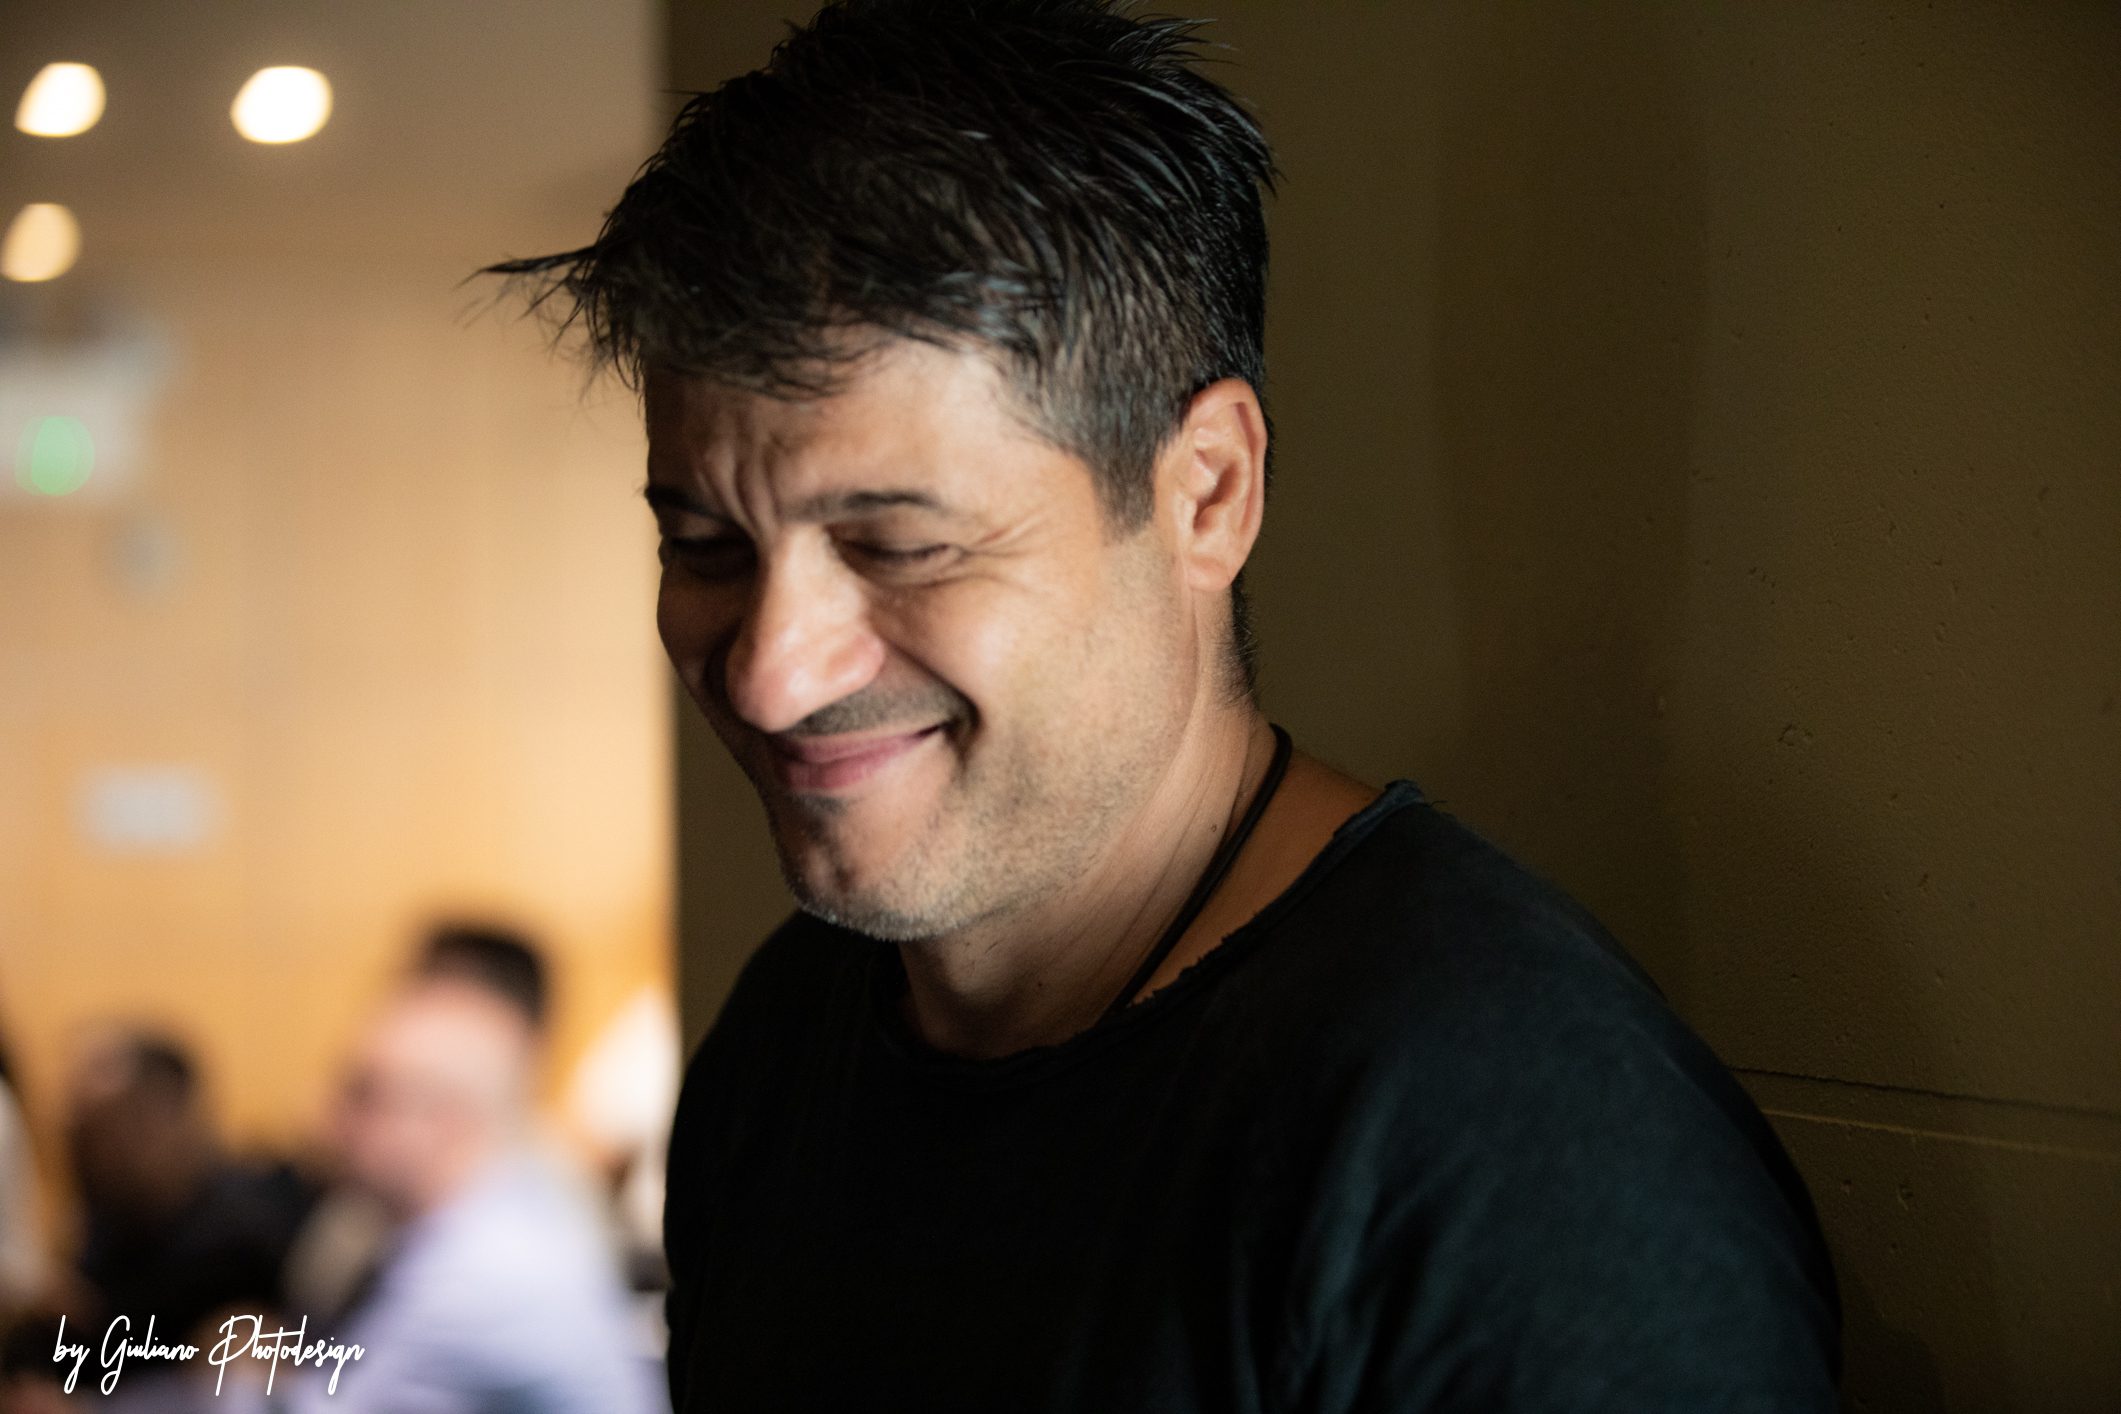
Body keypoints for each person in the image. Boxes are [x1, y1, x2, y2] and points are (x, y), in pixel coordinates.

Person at [494, 1, 1843, 1408]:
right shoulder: (788, 1037)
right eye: (705, 544)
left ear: (1207, 493)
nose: (770, 670)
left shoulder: (1510, 1153)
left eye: (899, 545)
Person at [274, 971, 661, 1412]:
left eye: (364, 1096)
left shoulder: (482, 1277)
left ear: (446, 1120)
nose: (323, 1118)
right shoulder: (511, 1212)